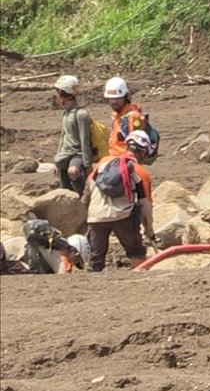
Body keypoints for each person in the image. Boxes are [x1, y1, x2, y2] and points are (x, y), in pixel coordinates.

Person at [84, 130, 156, 271]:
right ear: (143, 152)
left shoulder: (103, 162)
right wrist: (149, 231)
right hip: (123, 217)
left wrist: (89, 220)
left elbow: (87, 193)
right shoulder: (140, 172)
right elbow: (145, 206)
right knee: (137, 252)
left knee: (96, 260)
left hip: (96, 217)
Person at [52, 75, 93, 196]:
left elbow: (85, 141)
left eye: (58, 92)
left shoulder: (81, 114)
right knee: (65, 191)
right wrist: (57, 162)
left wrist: (87, 165)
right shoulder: (65, 114)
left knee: (73, 171)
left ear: (63, 93)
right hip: (65, 155)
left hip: (77, 154)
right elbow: (63, 137)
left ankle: (84, 196)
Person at [103, 77, 148, 157]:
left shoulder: (133, 116)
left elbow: (136, 146)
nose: (114, 101)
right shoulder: (117, 117)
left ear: (125, 97)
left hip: (125, 163)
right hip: (114, 161)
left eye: (117, 98)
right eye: (111, 98)